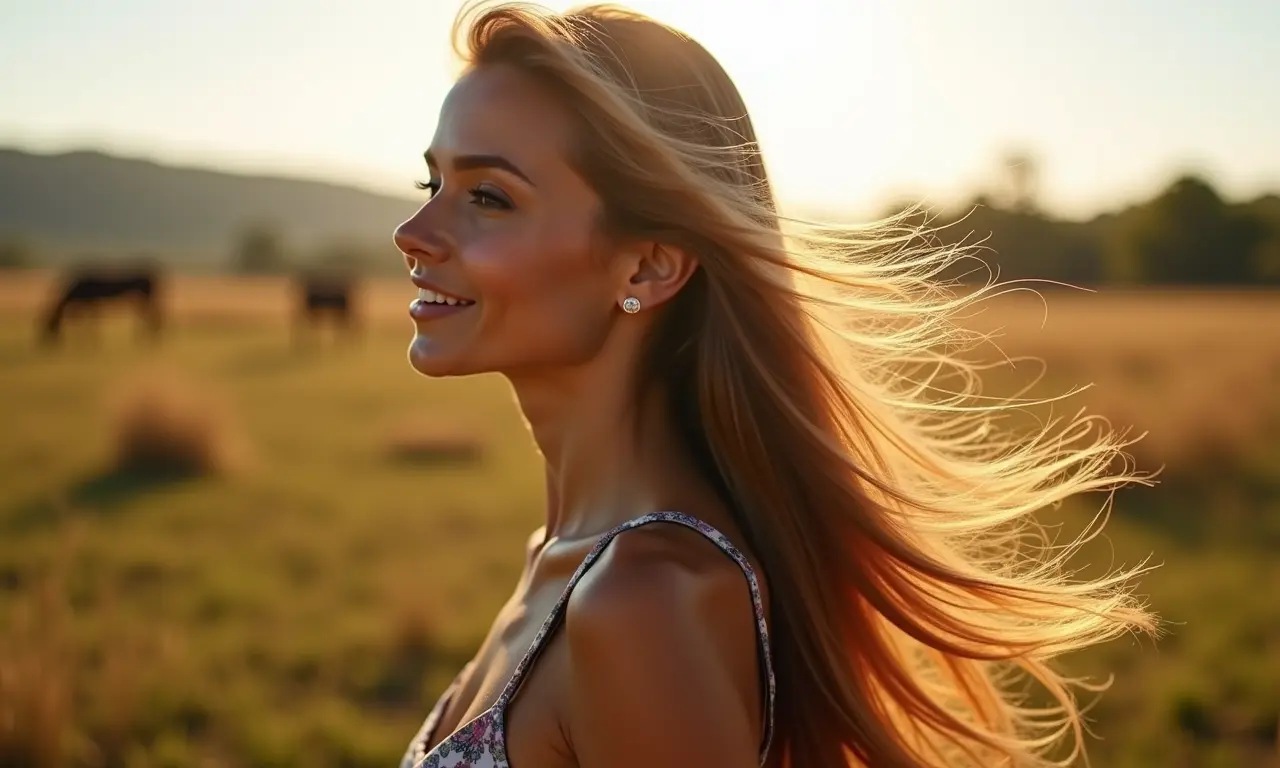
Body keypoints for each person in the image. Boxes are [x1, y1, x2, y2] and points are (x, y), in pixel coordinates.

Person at [391, 3, 1157, 766]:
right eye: (432, 182)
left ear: (649, 265)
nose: (414, 233)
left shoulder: (643, 603)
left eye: (487, 196)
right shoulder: (564, 555)